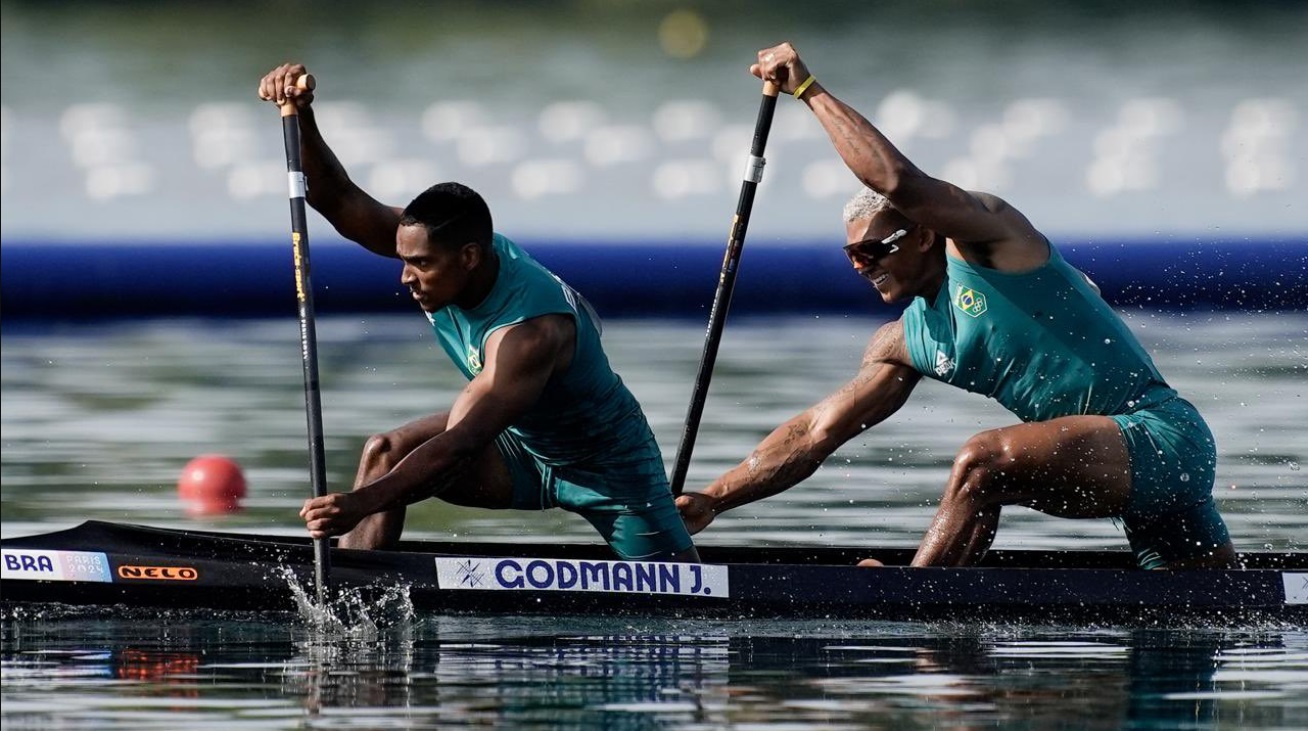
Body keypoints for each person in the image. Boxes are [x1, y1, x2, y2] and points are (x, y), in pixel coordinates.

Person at [675, 43, 1237, 570]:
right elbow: (815, 432)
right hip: (1114, 472)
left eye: (872, 251)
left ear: (922, 234)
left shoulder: (993, 242)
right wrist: (713, 500)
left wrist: (809, 90)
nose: (862, 267)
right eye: (852, 256)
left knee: (981, 461)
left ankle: (919, 602)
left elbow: (899, 181)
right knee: (1211, 622)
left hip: (1163, 438)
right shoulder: (904, 341)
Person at [257, 63, 698, 563]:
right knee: (385, 452)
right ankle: (352, 585)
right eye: (404, 261)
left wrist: (359, 502)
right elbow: (337, 197)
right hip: (520, 446)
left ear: (468, 256)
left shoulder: (530, 331)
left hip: (606, 466)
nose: (406, 277)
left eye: (420, 265)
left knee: (679, 595)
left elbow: (465, 441)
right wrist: (301, 116)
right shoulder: (439, 245)